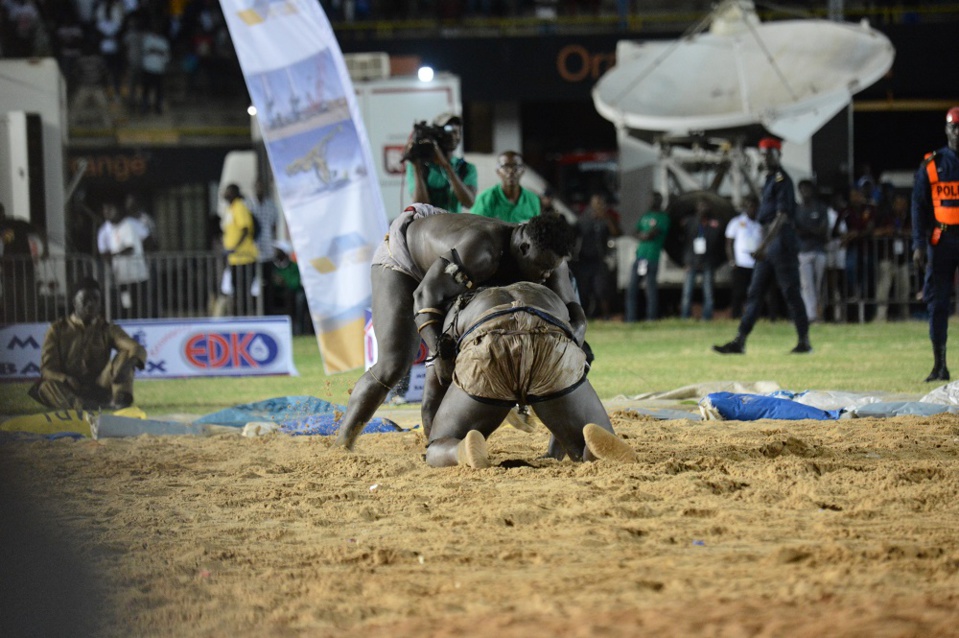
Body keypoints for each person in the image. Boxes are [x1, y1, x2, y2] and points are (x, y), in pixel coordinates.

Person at [333, 205, 583, 450]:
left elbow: (575, 318)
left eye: (552, 269)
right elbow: (425, 296)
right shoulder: (482, 250)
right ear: (525, 248)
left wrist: (570, 355)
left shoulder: (552, 261)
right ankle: (343, 444)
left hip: (457, 278)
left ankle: (436, 448)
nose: (546, 275)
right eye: (542, 268)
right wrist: (438, 352)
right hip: (408, 258)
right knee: (395, 363)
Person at [426, 282, 636, 468]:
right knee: (597, 439)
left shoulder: (461, 307)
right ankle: (589, 451)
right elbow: (578, 334)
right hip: (552, 342)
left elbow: (441, 376)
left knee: (439, 445)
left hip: (488, 346)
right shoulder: (548, 291)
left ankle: (459, 450)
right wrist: (556, 450)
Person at [714, 137, 812, 355]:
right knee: (755, 292)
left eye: (768, 154)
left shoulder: (781, 179)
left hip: (780, 242)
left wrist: (764, 245)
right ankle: (739, 341)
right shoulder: (769, 179)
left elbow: (782, 216)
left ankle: (804, 341)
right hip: (769, 241)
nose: (765, 158)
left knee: (790, 292)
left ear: (778, 154)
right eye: (763, 154)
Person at [28, 277, 146, 411]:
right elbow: (47, 370)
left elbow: (136, 347)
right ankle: (82, 406)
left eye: (95, 299)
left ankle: (121, 401)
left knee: (126, 355)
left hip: (100, 386)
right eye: (85, 300)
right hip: (70, 388)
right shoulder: (57, 329)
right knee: (45, 386)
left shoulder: (107, 328)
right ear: (74, 302)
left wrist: (128, 365)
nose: (91, 304)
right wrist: (65, 379)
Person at [911, 106, 959, 382]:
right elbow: (918, 207)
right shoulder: (933, 164)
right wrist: (918, 244)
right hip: (941, 240)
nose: (958, 133)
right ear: (947, 129)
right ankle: (939, 364)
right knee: (937, 303)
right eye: (954, 127)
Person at [404, 113, 477, 212]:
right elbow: (420, 205)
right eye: (449, 131)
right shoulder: (420, 166)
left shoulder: (465, 167)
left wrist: (447, 166)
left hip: (453, 221)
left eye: (458, 132)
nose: (454, 136)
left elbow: (469, 202)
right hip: (428, 221)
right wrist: (417, 166)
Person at [97, 197, 149, 319]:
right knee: (126, 305)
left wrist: (114, 255)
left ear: (117, 210)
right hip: (121, 277)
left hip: (136, 276)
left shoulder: (128, 224)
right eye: (105, 210)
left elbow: (130, 248)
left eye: (110, 209)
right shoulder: (107, 229)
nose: (107, 212)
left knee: (139, 305)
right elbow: (104, 252)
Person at [572, 192, 621, 319]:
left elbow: (616, 233)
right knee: (583, 290)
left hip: (599, 260)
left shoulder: (606, 219)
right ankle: (582, 316)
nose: (598, 205)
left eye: (600, 203)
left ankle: (606, 316)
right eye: (596, 203)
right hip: (585, 259)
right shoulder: (584, 218)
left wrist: (607, 218)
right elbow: (574, 233)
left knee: (602, 290)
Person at [0, 202, 47, 324]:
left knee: (28, 308)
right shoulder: (10, 225)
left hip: (24, 272)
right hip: (9, 274)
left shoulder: (15, 224)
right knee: (11, 309)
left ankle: (29, 330)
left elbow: (38, 230)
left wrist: (45, 249)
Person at [626, 191, 669, 322]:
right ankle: (631, 318)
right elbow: (635, 232)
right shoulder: (646, 216)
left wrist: (643, 235)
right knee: (632, 289)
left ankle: (651, 317)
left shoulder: (663, 218)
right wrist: (643, 235)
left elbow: (652, 234)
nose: (650, 202)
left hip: (652, 257)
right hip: (640, 256)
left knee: (650, 290)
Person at [679, 199, 723, 321]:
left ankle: (707, 317)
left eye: (705, 207)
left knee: (708, 292)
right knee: (687, 292)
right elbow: (683, 240)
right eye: (700, 207)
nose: (703, 209)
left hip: (707, 261)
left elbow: (717, 241)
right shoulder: (690, 222)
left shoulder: (714, 224)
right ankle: (685, 317)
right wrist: (685, 261)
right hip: (691, 261)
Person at [470, 151, 541, 223]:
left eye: (516, 166)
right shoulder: (484, 199)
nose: (511, 171)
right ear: (498, 171)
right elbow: (474, 227)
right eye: (505, 167)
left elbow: (535, 228)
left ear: (523, 170)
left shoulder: (533, 199)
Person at [795, 179, 830, 323]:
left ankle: (818, 313)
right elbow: (796, 231)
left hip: (819, 251)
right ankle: (811, 315)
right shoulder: (797, 210)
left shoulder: (820, 208)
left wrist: (807, 231)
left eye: (808, 189)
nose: (805, 192)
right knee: (807, 285)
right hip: (803, 252)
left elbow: (823, 230)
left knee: (819, 284)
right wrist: (813, 231)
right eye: (803, 189)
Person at [221, 183, 258, 315]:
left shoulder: (239, 207)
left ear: (235, 193)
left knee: (244, 291)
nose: (225, 194)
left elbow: (245, 229)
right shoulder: (230, 209)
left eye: (228, 192)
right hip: (235, 259)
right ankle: (240, 315)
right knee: (236, 290)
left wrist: (235, 247)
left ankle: (246, 315)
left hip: (245, 257)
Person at [874, 192, 911, 322]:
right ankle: (881, 316)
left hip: (902, 259)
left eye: (903, 203)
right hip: (887, 258)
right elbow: (875, 232)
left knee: (904, 289)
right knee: (883, 288)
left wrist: (903, 232)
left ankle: (905, 316)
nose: (901, 206)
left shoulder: (908, 217)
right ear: (894, 204)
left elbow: (914, 231)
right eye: (898, 203)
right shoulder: (886, 217)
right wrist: (886, 231)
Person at [724, 194, 761, 319]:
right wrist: (732, 261)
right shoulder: (736, 222)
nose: (752, 209)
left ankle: (754, 315)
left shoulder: (760, 223)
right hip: (741, 264)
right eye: (749, 206)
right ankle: (735, 316)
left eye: (754, 206)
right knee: (738, 293)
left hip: (756, 264)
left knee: (756, 292)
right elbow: (729, 243)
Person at [249, 179, 279, 310]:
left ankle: (268, 309)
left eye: (261, 187)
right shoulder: (249, 205)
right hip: (252, 252)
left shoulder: (271, 205)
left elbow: (274, 226)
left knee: (267, 282)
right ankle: (254, 309)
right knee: (252, 283)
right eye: (257, 187)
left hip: (267, 250)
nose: (259, 190)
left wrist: (274, 243)